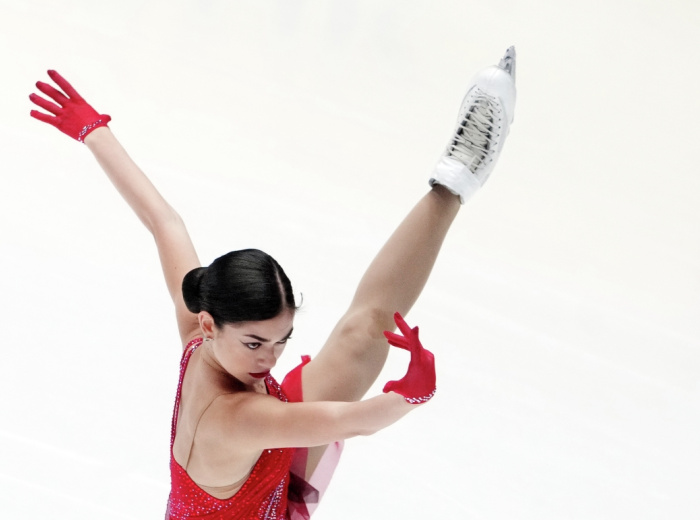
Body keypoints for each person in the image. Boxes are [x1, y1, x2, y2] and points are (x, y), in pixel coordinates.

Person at [28, 46, 517, 519]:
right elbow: (351, 420)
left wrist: (93, 131)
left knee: (363, 330)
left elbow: (165, 223)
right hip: (266, 497)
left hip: (252, 474)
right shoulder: (239, 418)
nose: (269, 361)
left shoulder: (201, 335)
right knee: (362, 343)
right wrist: (411, 393)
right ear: (213, 324)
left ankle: (456, 178)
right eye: (255, 343)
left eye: (281, 340)